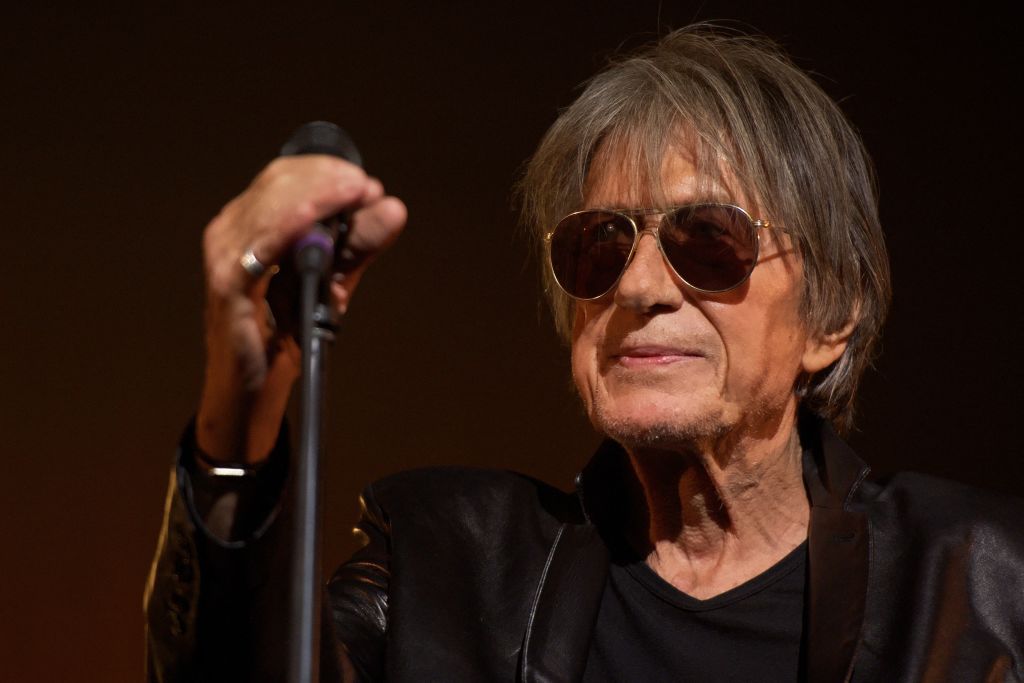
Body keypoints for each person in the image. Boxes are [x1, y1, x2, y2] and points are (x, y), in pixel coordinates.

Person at [145, 25, 1024, 682]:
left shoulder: (982, 583)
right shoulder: (440, 561)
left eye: (708, 239)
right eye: (599, 244)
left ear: (832, 316)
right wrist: (243, 397)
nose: (639, 286)